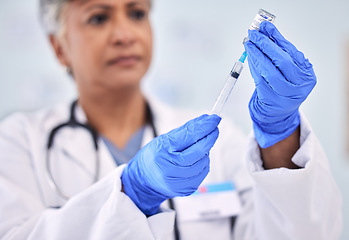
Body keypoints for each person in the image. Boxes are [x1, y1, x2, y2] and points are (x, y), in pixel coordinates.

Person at [0, 0, 342, 239]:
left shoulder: (220, 142)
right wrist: (132, 192)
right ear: (59, 47)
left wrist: (280, 130)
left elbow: (303, 234)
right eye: (99, 18)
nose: (124, 34)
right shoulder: (18, 143)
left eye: (136, 13)